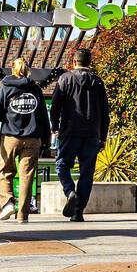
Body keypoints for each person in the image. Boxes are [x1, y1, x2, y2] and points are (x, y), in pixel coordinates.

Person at [49, 47, 110, 222]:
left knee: (62, 165)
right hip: (92, 134)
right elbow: (105, 112)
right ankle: (78, 212)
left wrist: (55, 127)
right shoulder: (97, 81)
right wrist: (103, 137)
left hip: (69, 131)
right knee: (87, 172)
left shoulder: (65, 79)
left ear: (74, 62)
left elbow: (55, 106)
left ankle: (70, 191)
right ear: (89, 62)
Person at [0, 58, 48, 223]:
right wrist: (46, 140)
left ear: (13, 70)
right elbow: (43, 118)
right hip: (33, 139)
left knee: (4, 171)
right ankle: (23, 215)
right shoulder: (36, 89)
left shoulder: (6, 88)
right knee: (27, 176)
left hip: (10, 138)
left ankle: (7, 203)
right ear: (28, 70)